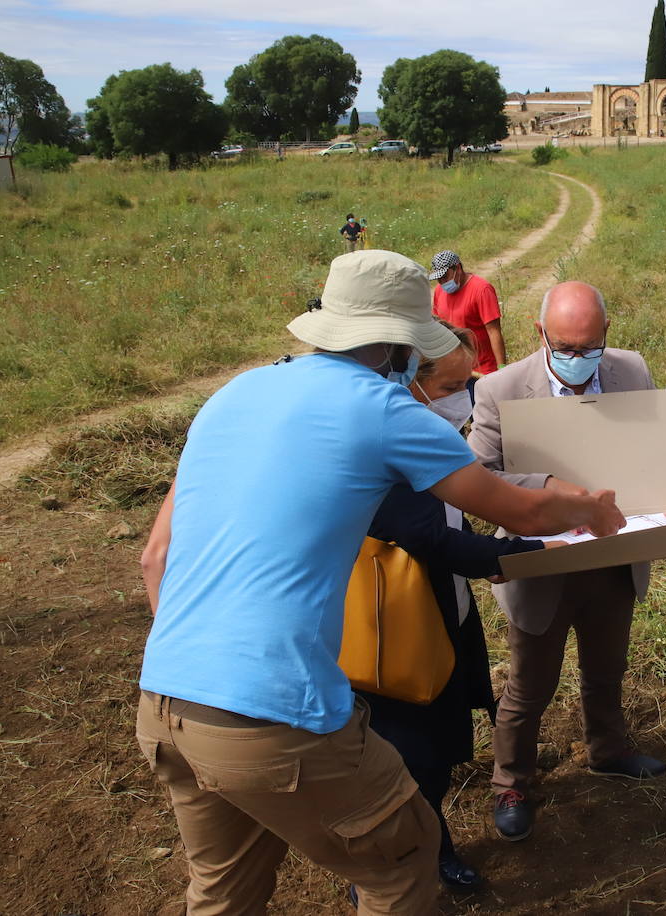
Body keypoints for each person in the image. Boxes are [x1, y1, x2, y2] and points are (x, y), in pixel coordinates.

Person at [135, 250, 624, 916]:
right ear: (400, 347)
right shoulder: (382, 410)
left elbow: (154, 556)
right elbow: (520, 511)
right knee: (403, 861)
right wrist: (592, 510)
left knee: (224, 891)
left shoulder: (235, 393)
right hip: (276, 713)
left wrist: (199, 663)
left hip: (165, 700)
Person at [467, 280, 666, 842]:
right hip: (542, 565)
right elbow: (477, 479)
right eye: (565, 348)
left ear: (607, 333)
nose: (578, 359)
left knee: (607, 666)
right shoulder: (500, 389)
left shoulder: (630, 371)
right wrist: (555, 493)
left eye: (589, 346)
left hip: (616, 555)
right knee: (529, 683)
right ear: (540, 333)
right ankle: (512, 780)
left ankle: (607, 747)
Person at [358, 322, 556, 894]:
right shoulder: (386, 436)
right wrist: (533, 546)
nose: (463, 395)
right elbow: (439, 540)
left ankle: (427, 841)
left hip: (445, 611)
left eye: (468, 379)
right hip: (393, 627)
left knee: (438, 744)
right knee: (409, 754)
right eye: (452, 383)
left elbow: (454, 515)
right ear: (410, 379)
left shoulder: (424, 430)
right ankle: (412, 863)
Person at [428, 250, 506, 383]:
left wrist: (502, 369)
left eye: (445, 277)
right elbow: (439, 327)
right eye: (438, 279)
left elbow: (494, 332)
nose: (441, 282)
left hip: (483, 371)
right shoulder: (439, 292)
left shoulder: (481, 290)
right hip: (455, 369)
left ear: (457, 268)